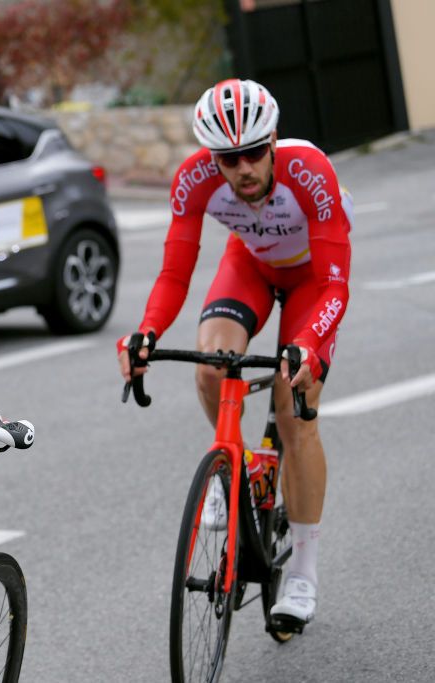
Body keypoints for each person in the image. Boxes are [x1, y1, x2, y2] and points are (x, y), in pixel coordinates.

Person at [116, 78, 352, 631]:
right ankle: (234, 469)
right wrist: (146, 332)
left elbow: (335, 285)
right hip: (250, 264)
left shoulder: (309, 173)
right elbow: (175, 272)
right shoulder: (195, 180)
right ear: (211, 158)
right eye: (228, 158)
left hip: (313, 281)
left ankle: (303, 572)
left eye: (252, 154)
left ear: (272, 143)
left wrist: (309, 347)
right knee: (209, 367)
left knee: (295, 410)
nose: (243, 169)